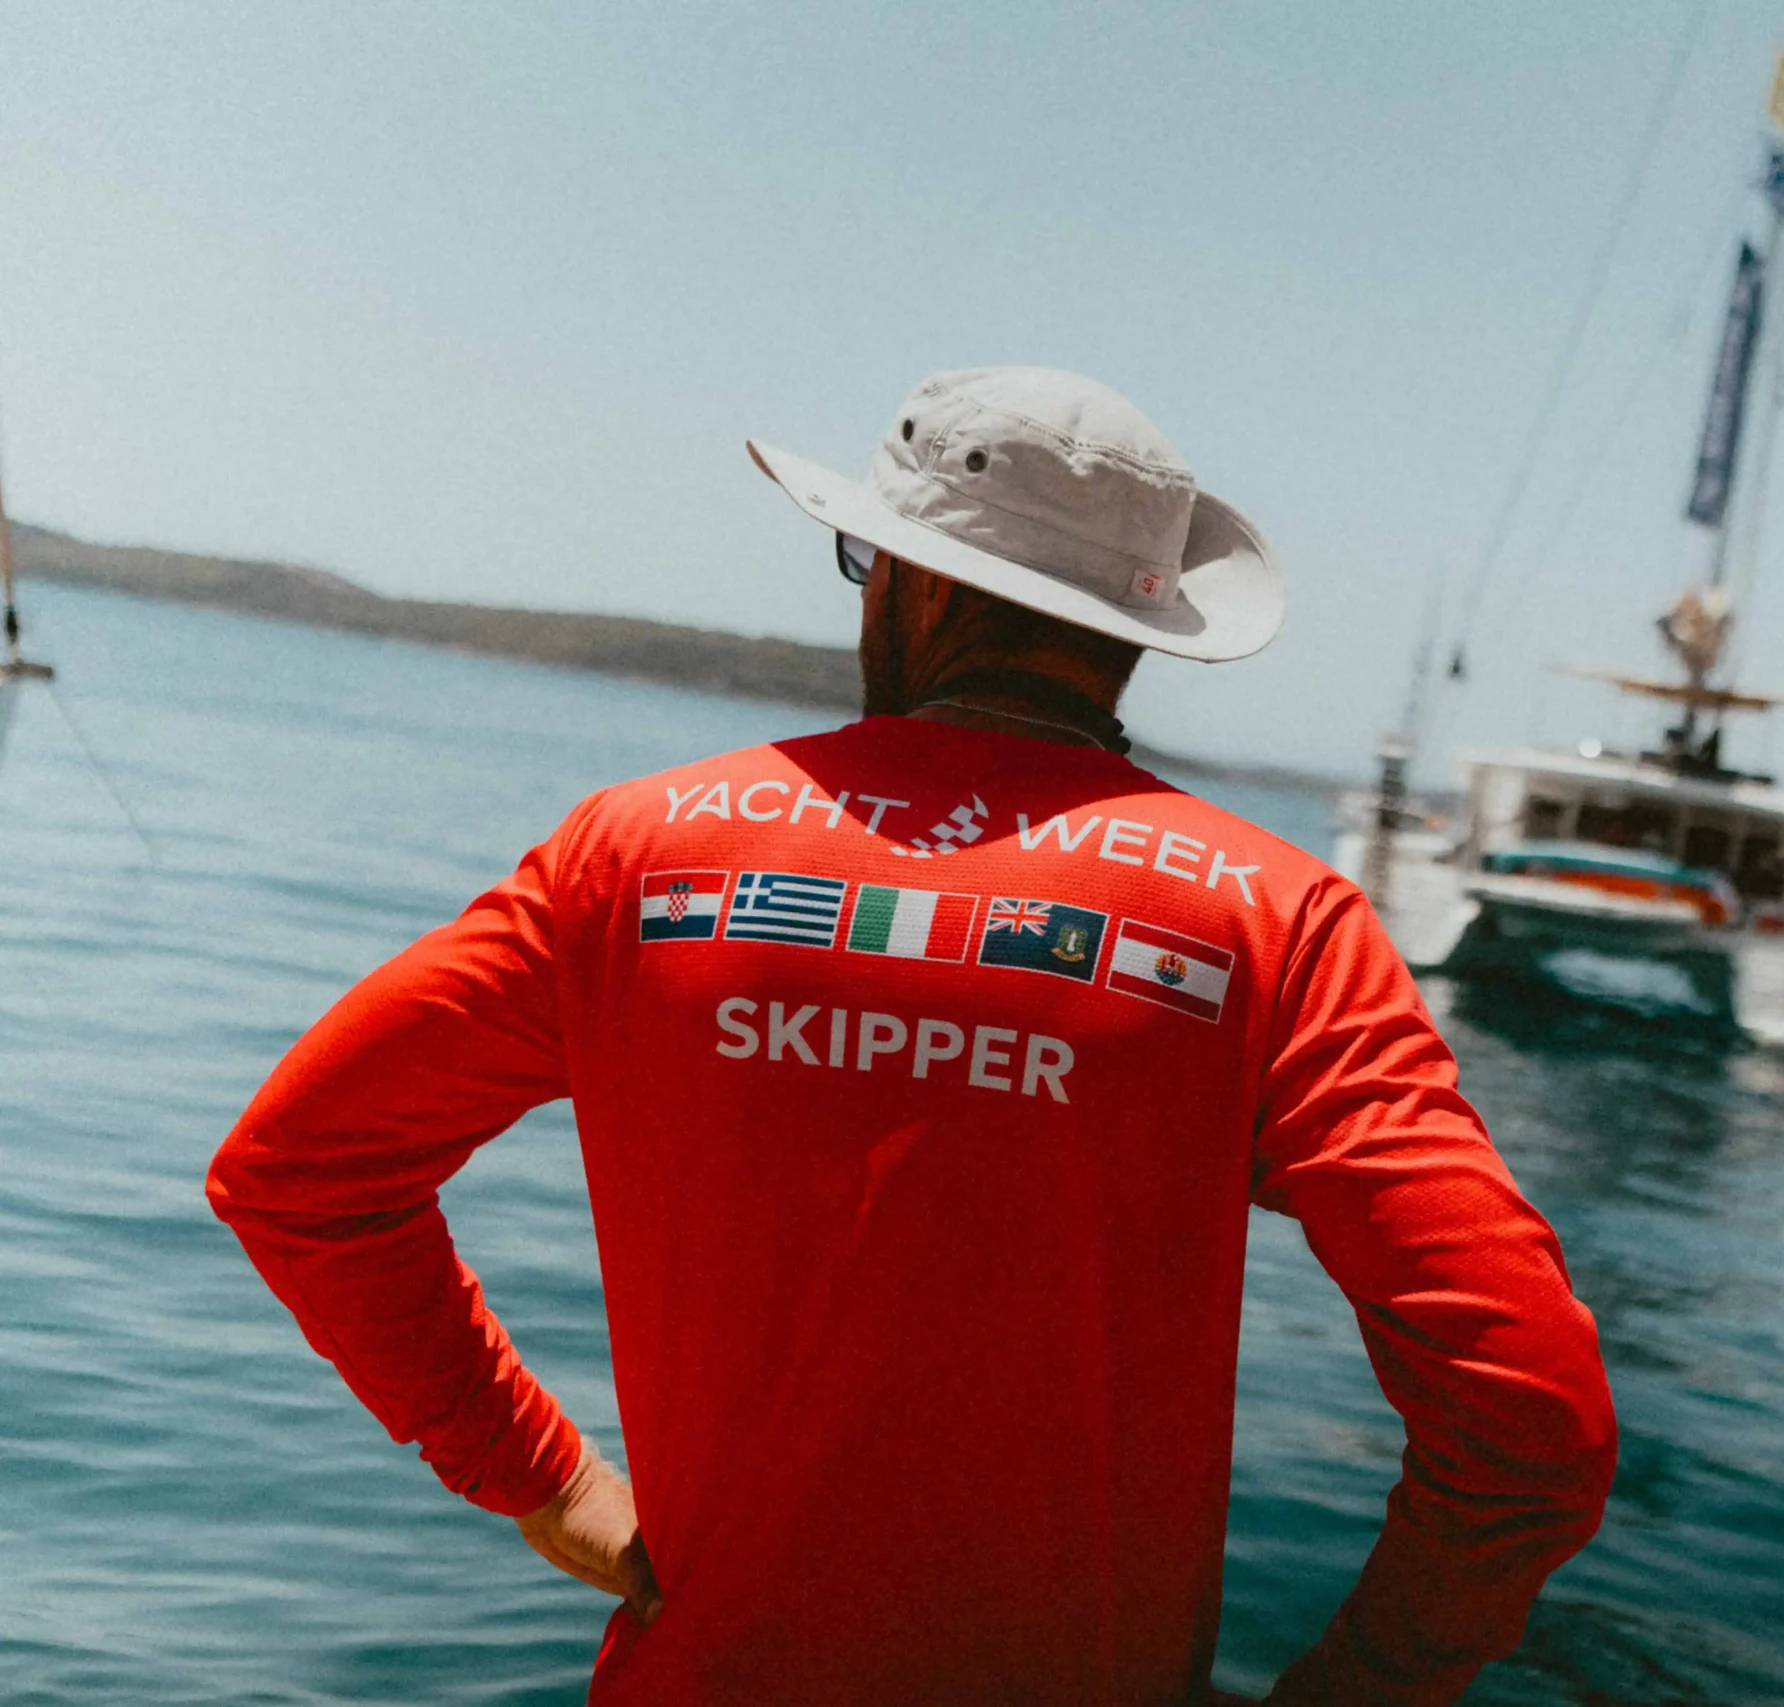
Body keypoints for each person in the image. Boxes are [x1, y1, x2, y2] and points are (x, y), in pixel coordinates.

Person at [207, 366, 1617, 1706]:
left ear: (919, 582)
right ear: (1136, 628)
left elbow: (298, 1171)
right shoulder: (1274, 922)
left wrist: (542, 1475)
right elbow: (1532, 1421)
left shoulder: (632, 858)